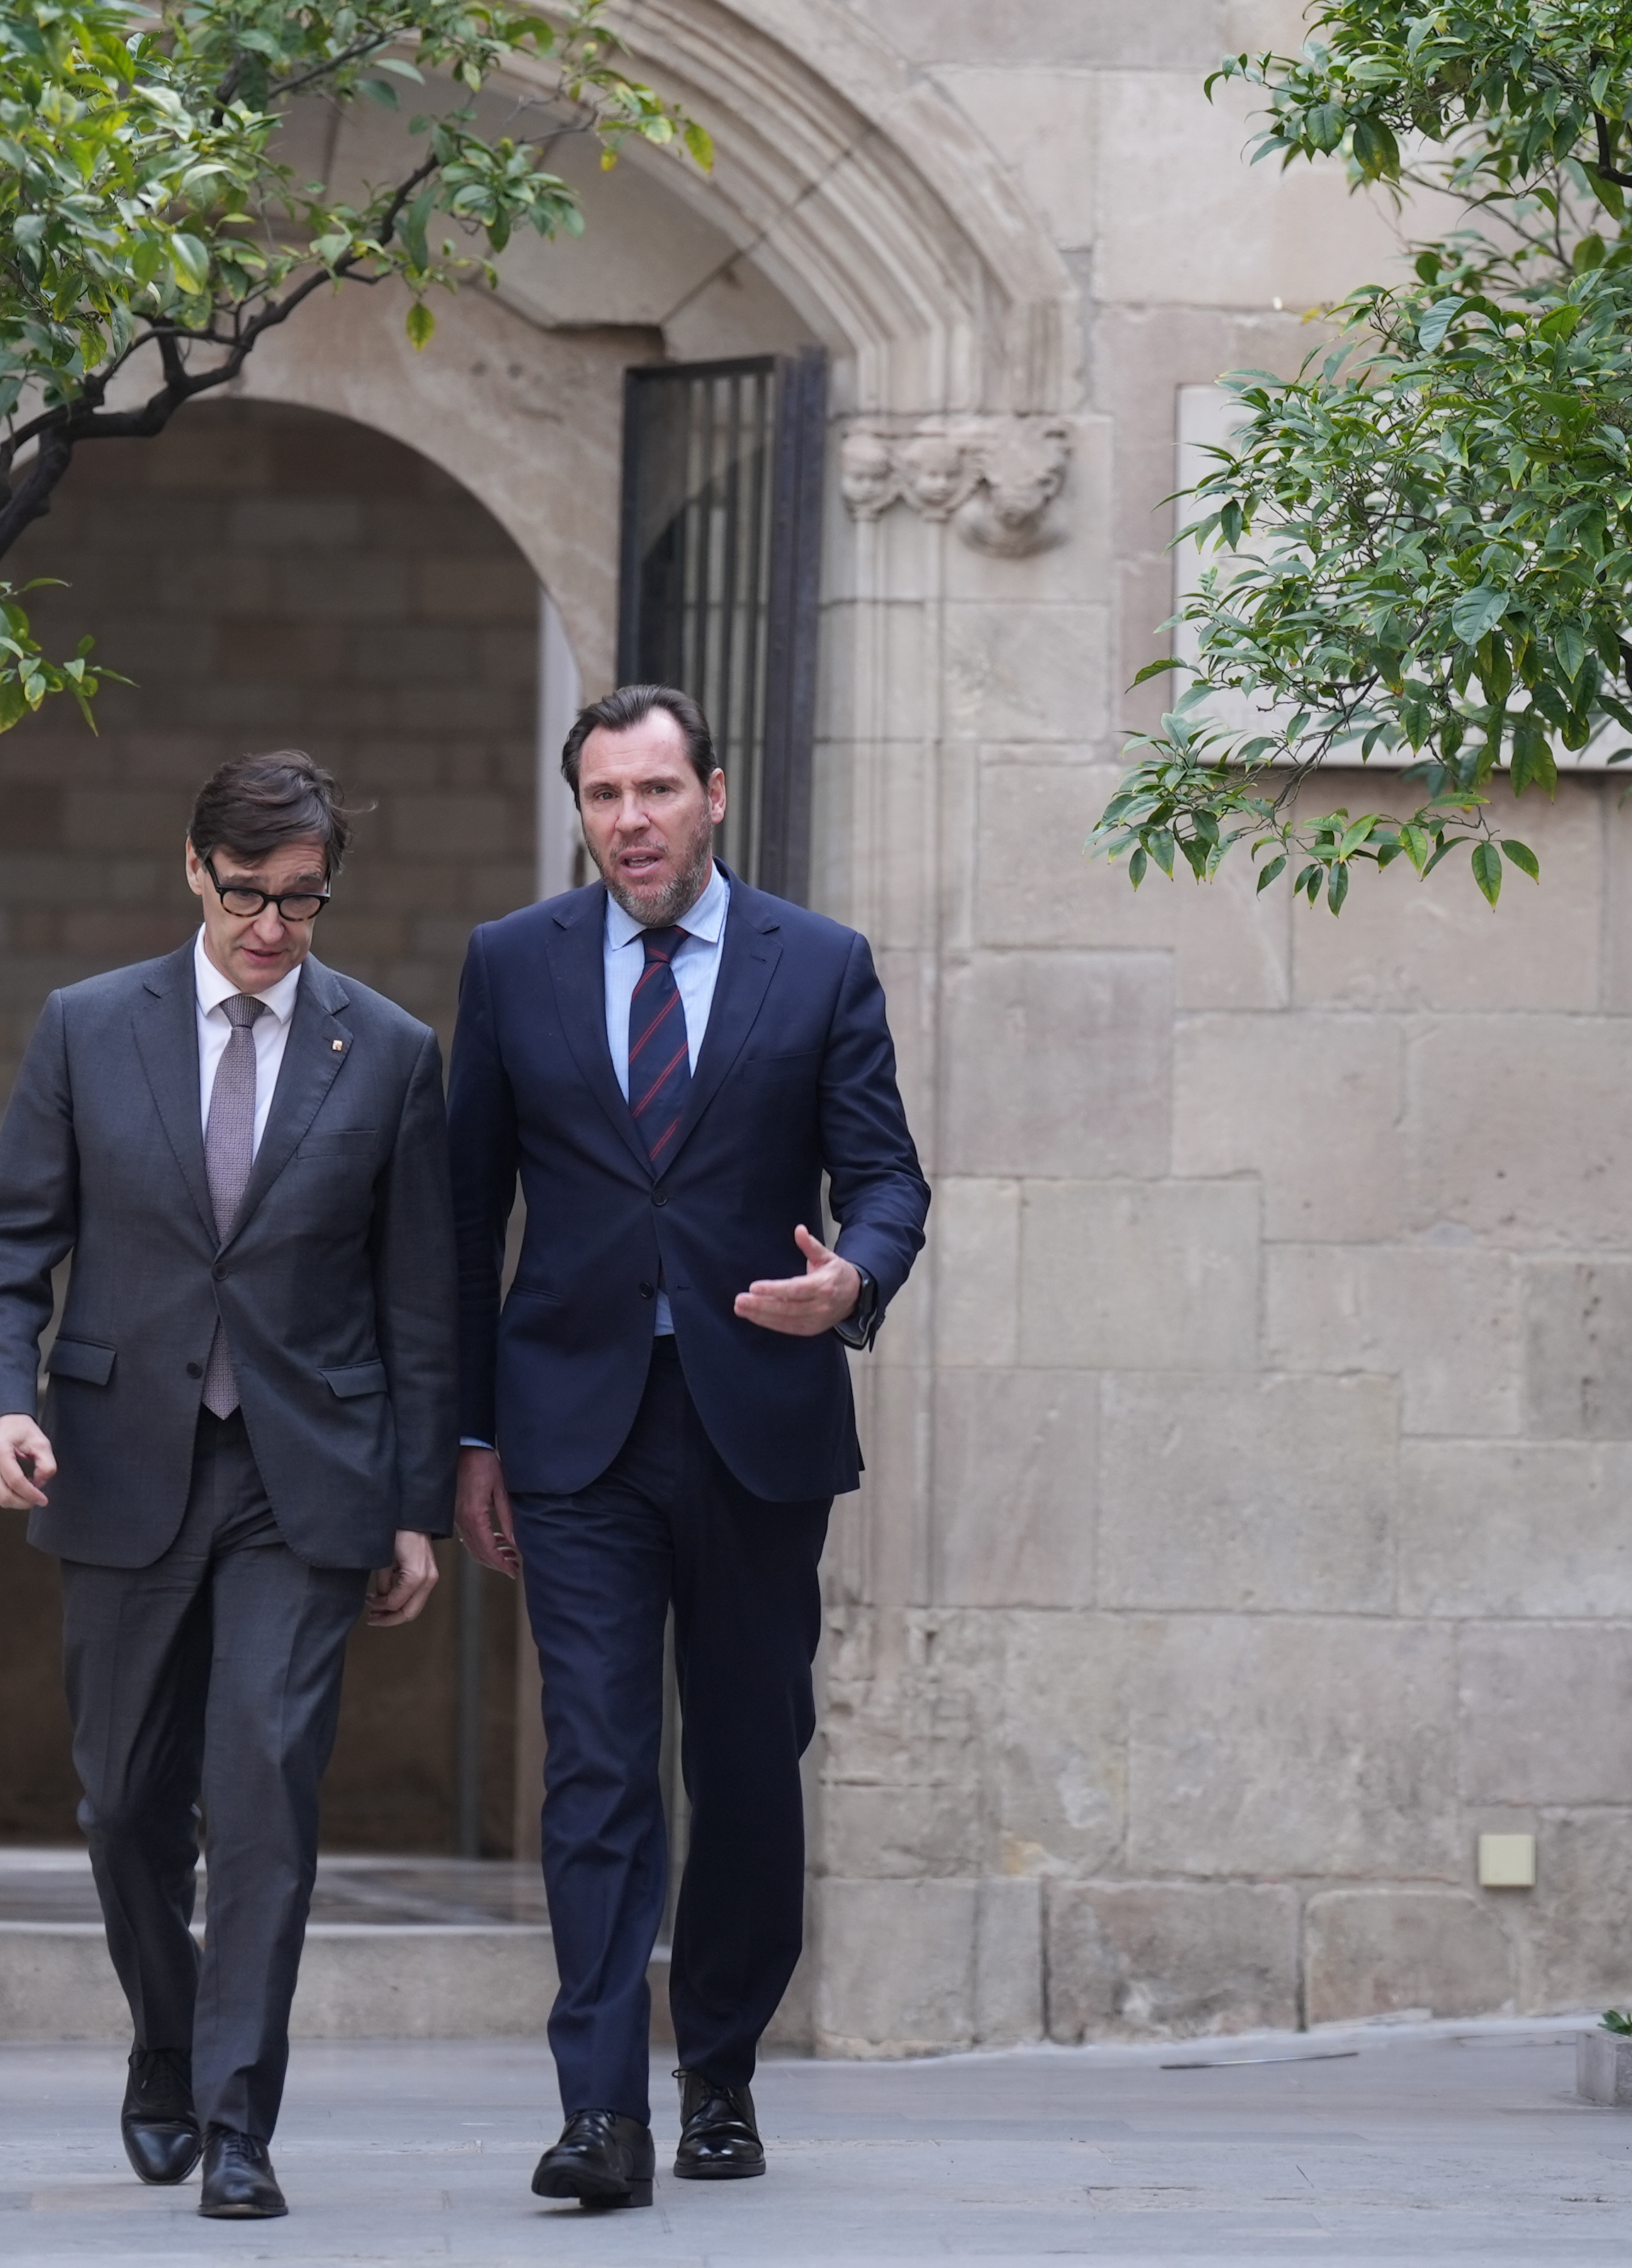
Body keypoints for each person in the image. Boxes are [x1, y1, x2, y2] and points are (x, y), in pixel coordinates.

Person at [0, 750, 458, 2223]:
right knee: (123, 1804)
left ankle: (240, 2121)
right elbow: (6, 1245)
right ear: (192, 869)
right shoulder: (86, 1029)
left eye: (302, 903)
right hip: (118, 1466)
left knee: (261, 1797)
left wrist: (414, 1506)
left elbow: (421, 1307)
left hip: (301, 1482)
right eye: (248, 896)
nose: (272, 929)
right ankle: (166, 2042)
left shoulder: (388, 1052)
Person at [447, 683, 930, 2211]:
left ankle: (716, 2065)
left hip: (755, 1423)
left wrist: (848, 1279)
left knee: (742, 1760)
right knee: (595, 1764)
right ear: (579, 809)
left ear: (713, 794)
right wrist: (467, 1434)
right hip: (572, 1431)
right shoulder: (511, 965)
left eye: (657, 790)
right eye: (604, 796)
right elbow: (465, 1219)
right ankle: (600, 2111)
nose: (631, 821)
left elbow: (890, 1179)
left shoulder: (821, 963)